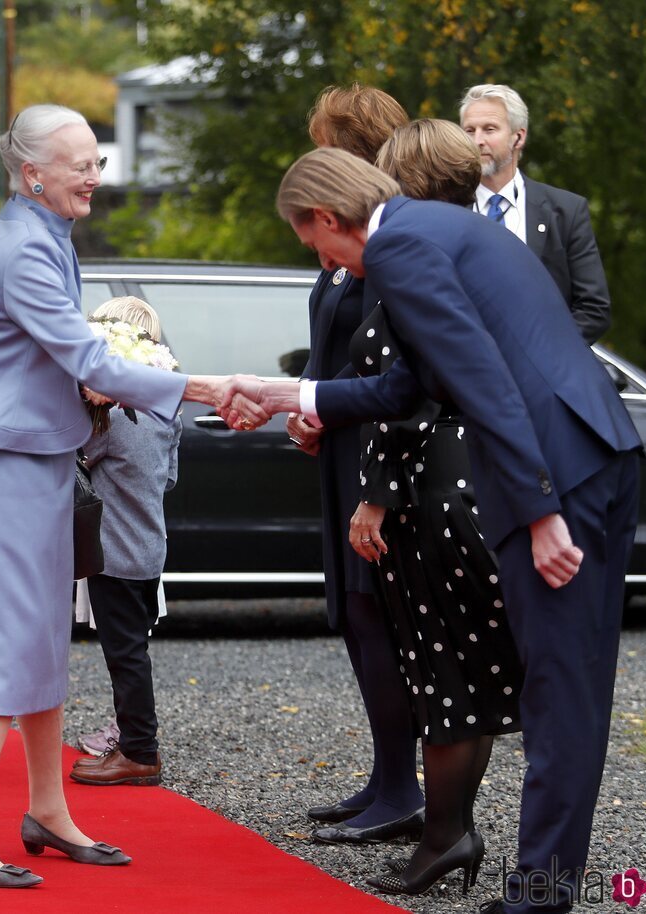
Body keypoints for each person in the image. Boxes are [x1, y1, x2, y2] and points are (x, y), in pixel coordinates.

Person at [221, 147, 641, 914]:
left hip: (558, 474)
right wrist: (285, 391)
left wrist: (541, 510)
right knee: (569, 693)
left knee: (559, 696)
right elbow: (411, 383)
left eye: (311, 242)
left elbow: (482, 380)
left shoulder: (398, 248)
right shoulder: (435, 228)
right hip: (593, 449)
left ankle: (538, 902)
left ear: (325, 217)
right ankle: (542, 894)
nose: (321, 258)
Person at [0, 103, 233, 889]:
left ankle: (47, 812)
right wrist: (200, 385)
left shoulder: (42, 234)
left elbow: (73, 359)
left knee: (40, 635)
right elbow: (86, 356)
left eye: (97, 160)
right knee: (8, 636)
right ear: (34, 174)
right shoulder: (26, 245)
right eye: (83, 163)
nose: (97, 176)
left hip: (29, 453)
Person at [333, 119, 524, 897]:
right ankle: (448, 833)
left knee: (447, 674)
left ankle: (448, 836)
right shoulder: (477, 249)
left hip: (437, 489)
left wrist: (374, 496)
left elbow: (414, 395)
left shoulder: (418, 259)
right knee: (461, 674)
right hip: (463, 482)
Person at [291, 85, 425, 843]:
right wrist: (311, 411)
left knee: (380, 613)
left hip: (379, 450)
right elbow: (332, 348)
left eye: (325, 142)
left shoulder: (391, 244)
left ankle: (404, 791)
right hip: (339, 442)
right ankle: (386, 776)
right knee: (354, 612)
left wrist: (331, 405)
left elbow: (396, 367)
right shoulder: (346, 243)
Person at [69, 296, 182, 787]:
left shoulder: (114, 421)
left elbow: (74, 457)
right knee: (133, 649)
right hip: (148, 547)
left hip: (114, 552)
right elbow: (170, 480)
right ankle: (135, 743)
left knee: (125, 654)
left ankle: (139, 750)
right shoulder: (164, 414)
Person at [459, 83, 610, 344]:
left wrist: (542, 356)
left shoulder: (566, 211)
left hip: (542, 377)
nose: (477, 141)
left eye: (490, 129)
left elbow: (593, 309)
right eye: (469, 130)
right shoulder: (446, 208)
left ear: (519, 137)